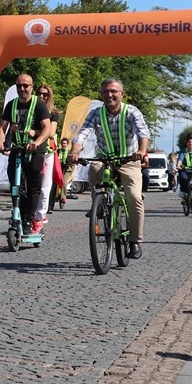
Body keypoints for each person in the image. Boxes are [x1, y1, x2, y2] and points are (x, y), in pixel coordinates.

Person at [68, 78, 151, 259]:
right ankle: (98, 204)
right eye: (105, 91)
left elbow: (143, 132)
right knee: (94, 168)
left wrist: (142, 150)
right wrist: (74, 152)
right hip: (104, 158)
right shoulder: (96, 113)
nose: (109, 95)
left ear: (122, 94)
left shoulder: (131, 111)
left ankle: (135, 241)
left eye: (113, 91)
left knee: (135, 198)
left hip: (129, 160)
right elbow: (82, 134)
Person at [0, 74, 53, 234]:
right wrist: (0, 141)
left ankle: (29, 220)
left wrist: (37, 141)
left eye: (25, 86)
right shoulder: (11, 105)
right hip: (17, 149)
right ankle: (17, 215)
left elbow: (47, 128)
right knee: (15, 185)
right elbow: (2, 127)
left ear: (31, 87)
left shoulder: (39, 105)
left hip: (35, 151)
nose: (22, 89)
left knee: (34, 187)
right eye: (19, 86)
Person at [36, 84, 62, 216]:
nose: (41, 96)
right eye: (39, 93)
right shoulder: (32, 110)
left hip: (46, 152)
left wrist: (34, 131)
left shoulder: (54, 113)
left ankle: (40, 215)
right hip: (31, 150)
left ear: (49, 96)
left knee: (45, 186)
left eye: (45, 94)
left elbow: (51, 133)